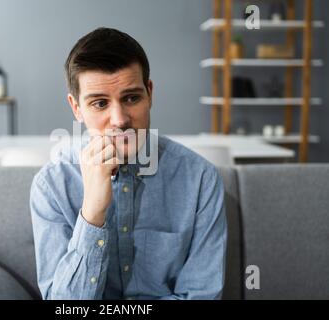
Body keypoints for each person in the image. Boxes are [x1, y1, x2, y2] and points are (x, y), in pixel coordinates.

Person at [30, 27, 227, 300]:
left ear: (150, 93)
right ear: (76, 108)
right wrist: (92, 213)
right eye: (100, 103)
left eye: (131, 98)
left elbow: (202, 296)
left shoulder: (200, 180)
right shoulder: (51, 186)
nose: (120, 119)